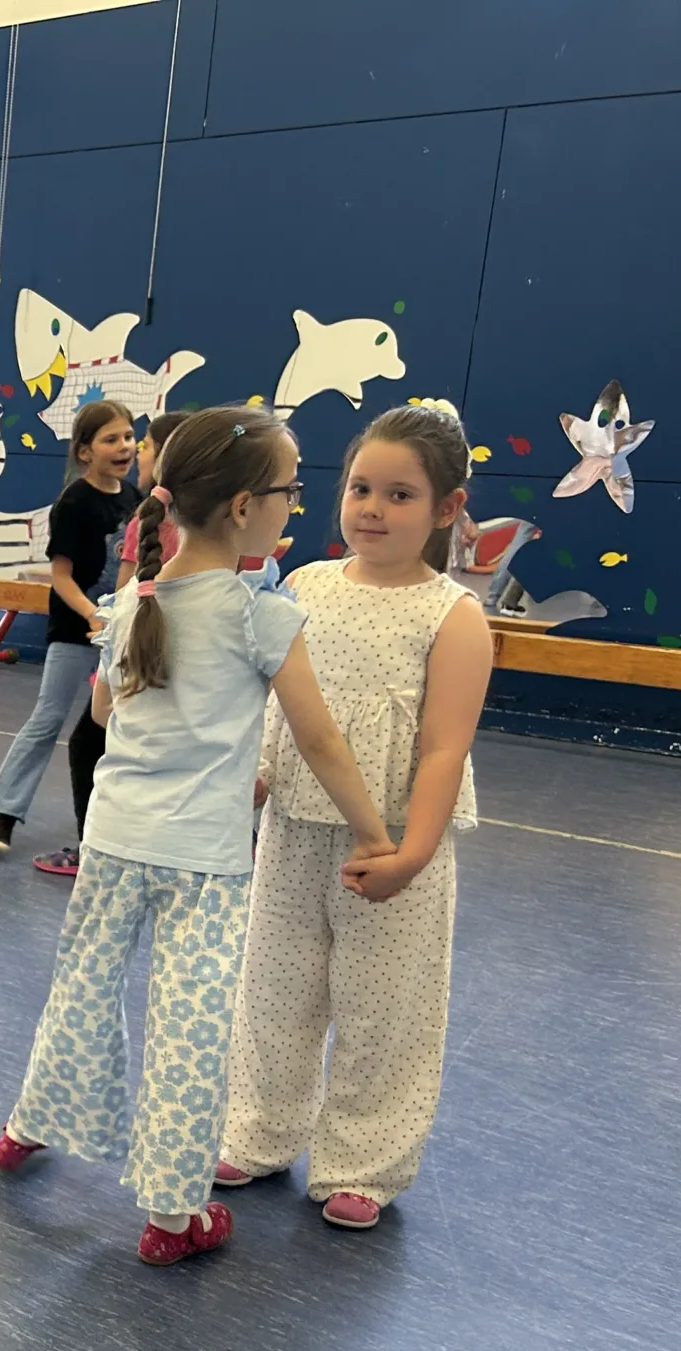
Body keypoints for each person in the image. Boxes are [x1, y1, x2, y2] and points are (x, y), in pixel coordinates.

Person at [0, 408, 394, 1266]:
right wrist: (372, 832)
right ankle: (175, 1215)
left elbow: (105, 713)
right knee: (190, 1028)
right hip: (201, 861)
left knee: (82, 988)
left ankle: (30, 1124)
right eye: (289, 492)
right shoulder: (259, 615)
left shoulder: (133, 600)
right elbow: (319, 738)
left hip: (113, 838)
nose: (294, 505)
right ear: (245, 507)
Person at [217, 405, 495, 1228]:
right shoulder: (305, 586)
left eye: (400, 495)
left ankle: (363, 1163)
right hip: (294, 831)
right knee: (275, 987)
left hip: (393, 843)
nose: (372, 509)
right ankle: (259, 1129)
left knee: (386, 1008)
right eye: (360, 489)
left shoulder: (453, 616)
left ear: (446, 508)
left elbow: (443, 749)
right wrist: (256, 776)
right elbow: (280, 706)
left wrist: (413, 853)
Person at [41, 409, 197, 878]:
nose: (134, 450)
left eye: (141, 442)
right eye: (121, 439)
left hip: (142, 654)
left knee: (91, 740)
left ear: (166, 459)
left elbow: (130, 596)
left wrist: (108, 635)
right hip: (170, 655)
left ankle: (96, 849)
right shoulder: (197, 520)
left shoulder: (147, 518)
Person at [0, 400, 137, 854]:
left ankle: (109, 822)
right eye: (111, 439)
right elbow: (62, 577)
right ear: (85, 451)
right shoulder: (74, 503)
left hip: (118, 631)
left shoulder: (133, 499)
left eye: (129, 437)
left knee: (115, 725)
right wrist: (92, 614)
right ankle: (2, 811)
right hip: (76, 629)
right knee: (49, 716)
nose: (124, 446)